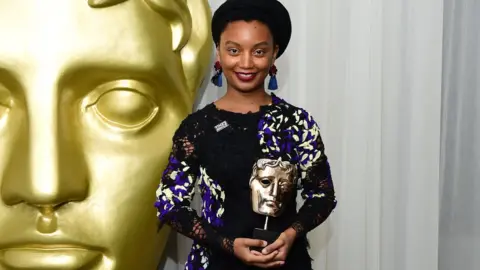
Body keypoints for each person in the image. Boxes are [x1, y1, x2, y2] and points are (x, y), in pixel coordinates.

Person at [155, 0, 337, 269]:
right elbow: (170, 203)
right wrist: (227, 244)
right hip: (216, 262)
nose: (246, 62)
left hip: (284, 262)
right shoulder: (196, 128)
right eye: (234, 50)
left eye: (259, 51)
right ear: (218, 50)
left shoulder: (297, 123)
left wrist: (290, 234)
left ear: (274, 53)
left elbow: (322, 196)